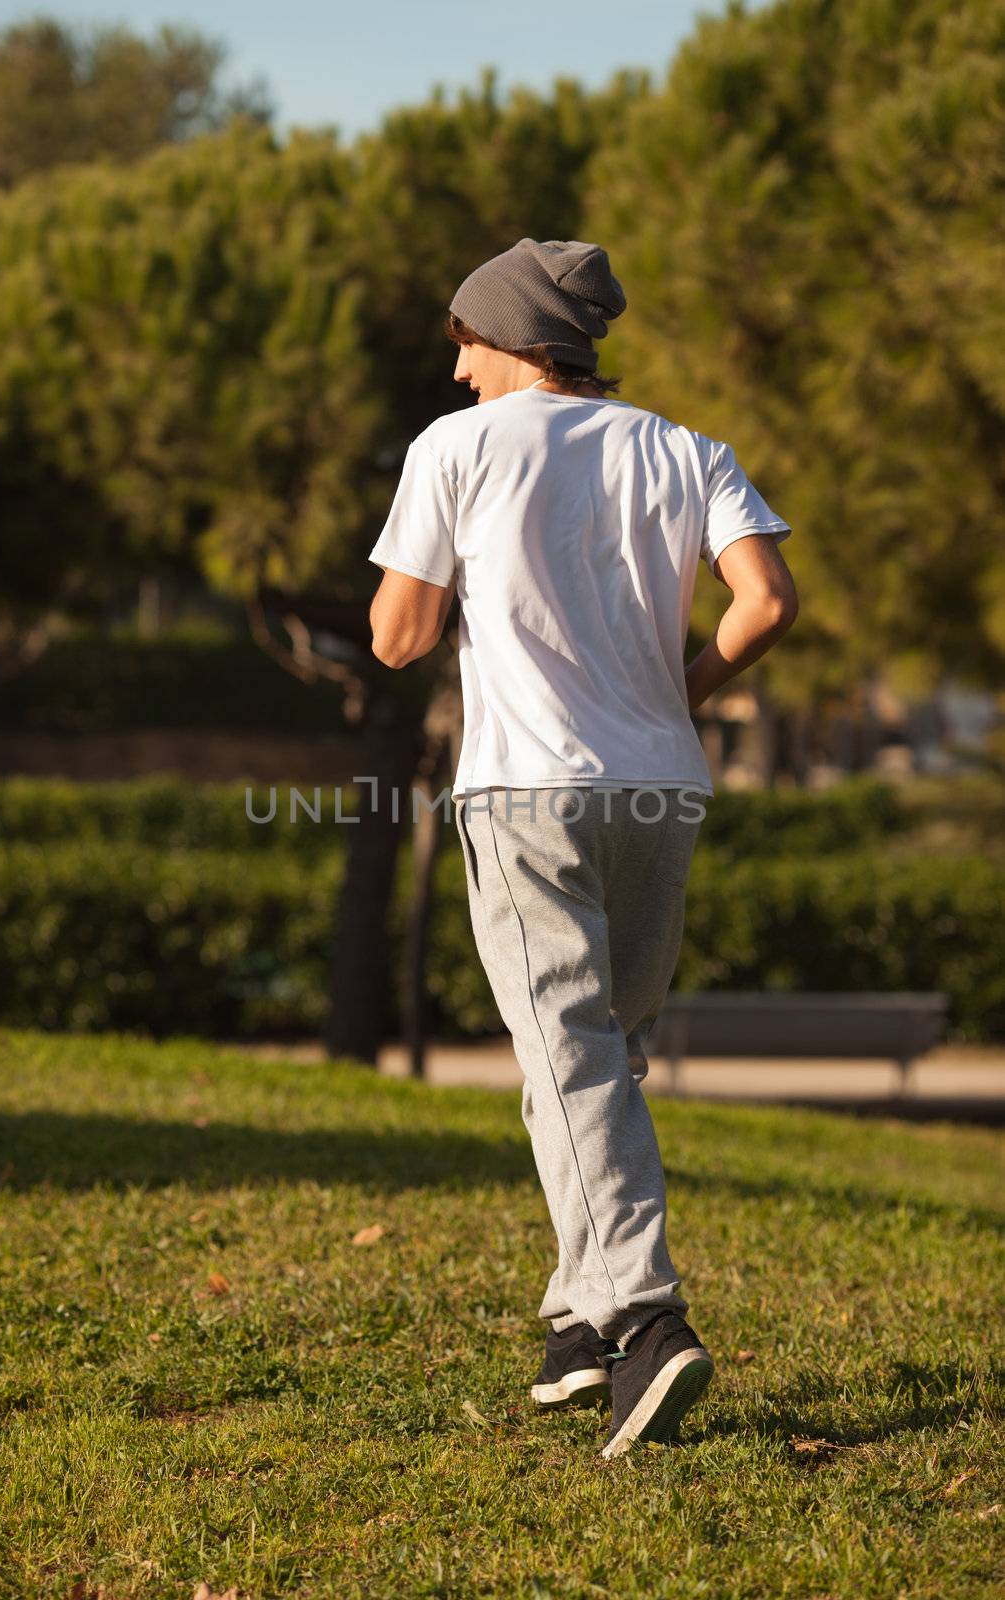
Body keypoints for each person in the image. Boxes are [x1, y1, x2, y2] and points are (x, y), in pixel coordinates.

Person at [366, 237, 798, 1458]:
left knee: (566, 1055)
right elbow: (766, 601)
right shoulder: (684, 447)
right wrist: (689, 686)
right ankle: (576, 1327)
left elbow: (398, 636)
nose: (453, 371)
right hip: (659, 787)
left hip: (525, 791)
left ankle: (647, 1318)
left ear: (507, 335)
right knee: (600, 1053)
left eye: (461, 340)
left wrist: (438, 581)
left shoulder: (452, 449)